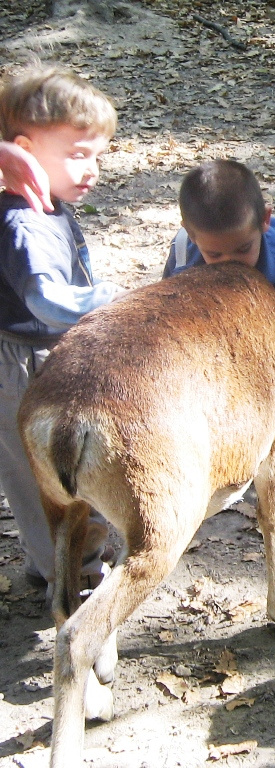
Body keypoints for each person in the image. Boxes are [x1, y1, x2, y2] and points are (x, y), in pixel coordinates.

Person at [0, 64, 122, 595]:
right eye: (76, 154)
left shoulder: (46, 205)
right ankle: (75, 571)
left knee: (31, 472)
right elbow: (46, 299)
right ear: (23, 149)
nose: (91, 169)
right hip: (29, 363)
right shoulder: (27, 222)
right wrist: (112, 302)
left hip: (27, 357)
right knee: (60, 470)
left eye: (96, 155)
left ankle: (47, 560)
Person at [163, 159, 275, 489]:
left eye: (243, 250)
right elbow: (173, 315)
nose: (229, 264)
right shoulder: (185, 251)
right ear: (190, 233)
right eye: (214, 255)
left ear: (265, 221)